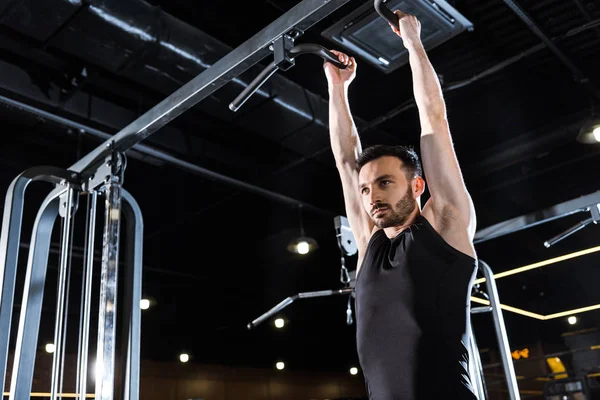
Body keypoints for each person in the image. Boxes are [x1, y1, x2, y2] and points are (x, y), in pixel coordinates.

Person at [322, 9, 479, 400]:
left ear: (418, 185)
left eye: (385, 182)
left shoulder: (445, 222)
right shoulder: (369, 244)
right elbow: (345, 160)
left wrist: (413, 44)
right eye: (365, 189)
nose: (371, 195)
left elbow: (433, 122)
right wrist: (337, 90)